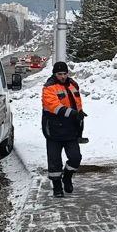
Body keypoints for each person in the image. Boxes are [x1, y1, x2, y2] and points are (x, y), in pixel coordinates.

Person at [41, 61, 84, 198]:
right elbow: (54, 106)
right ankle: (57, 186)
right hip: (54, 130)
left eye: (65, 73)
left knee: (75, 158)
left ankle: (67, 177)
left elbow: (77, 104)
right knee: (54, 161)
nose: (63, 76)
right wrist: (73, 113)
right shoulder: (49, 88)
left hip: (71, 129)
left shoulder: (73, 85)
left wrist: (80, 118)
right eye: (60, 74)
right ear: (55, 74)